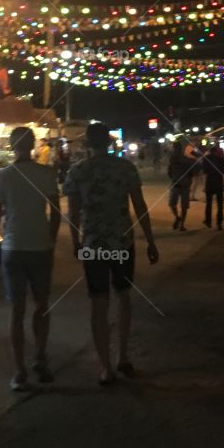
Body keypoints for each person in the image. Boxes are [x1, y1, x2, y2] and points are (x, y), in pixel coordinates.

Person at [65, 122, 158, 385]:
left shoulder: (78, 172)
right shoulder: (125, 168)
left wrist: (75, 242)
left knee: (98, 302)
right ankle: (123, 356)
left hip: (93, 246)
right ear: (109, 142)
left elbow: (73, 214)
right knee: (123, 296)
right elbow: (140, 207)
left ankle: (105, 367)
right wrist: (150, 241)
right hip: (121, 244)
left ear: (86, 144)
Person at [0, 127, 61, 391]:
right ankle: (40, 357)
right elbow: (56, 212)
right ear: (33, 145)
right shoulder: (45, 174)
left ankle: (19, 371)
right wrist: (50, 239)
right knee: (42, 305)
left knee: (16, 311)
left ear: (10, 145)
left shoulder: (2, 176)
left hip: (13, 248)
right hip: (40, 247)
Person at [167, 141, 194, 230]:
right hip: (180, 184)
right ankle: (180, 220)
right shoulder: (174, 160)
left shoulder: (179, 160)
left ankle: (181, 222)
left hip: (179, 184)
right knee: (178, 205)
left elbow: (169, 172)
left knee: (178, 205)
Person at [202, 141, 224, 229]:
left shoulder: (206, 158)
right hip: (218, 183)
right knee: (220, 205)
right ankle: (219, 223)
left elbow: (204, 173)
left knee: (209, 204)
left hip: (209, 183)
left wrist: (204, 186)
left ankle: (208, 221)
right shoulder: (221, 159)